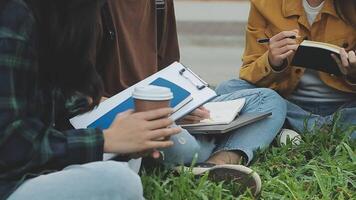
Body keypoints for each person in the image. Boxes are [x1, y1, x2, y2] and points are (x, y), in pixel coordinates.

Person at [101, 0, 288, 195]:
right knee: (188, 146)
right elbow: (79, 100)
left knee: (269, 101)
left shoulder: (160, 3)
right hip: (123, 119)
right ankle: (203, 156)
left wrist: (185, 104)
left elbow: (169, 71)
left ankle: (217, 163)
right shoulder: (87, 9)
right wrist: (165, 112)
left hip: (165, 113)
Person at [0, 0, 181, 199]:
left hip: (34, 170)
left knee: (125, 153)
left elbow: (43, 97)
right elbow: (10, 145)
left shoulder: (55, 15)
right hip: (10, 183)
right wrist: (104, 141)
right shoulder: (14, 18)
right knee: (117, 181)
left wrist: (123, 125)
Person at [216, 0, 356, 139]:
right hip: (288, 103)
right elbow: (248, 71)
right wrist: (272, 62)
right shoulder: (264, 4)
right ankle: (330, 129)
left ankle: (286, 127)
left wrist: (352, 73)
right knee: (228, 89)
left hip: (346, 104)